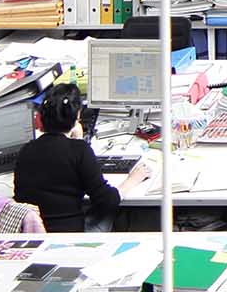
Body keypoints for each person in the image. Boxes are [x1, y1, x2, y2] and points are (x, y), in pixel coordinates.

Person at [13, 83, 149, 232]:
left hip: (33, 232)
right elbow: (107, 200)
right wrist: (133, 180)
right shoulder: (79, 151)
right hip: (71, 236)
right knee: (117, 211)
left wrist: (77, 141)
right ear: (77, 116)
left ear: (40, 118)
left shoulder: (26, 150)